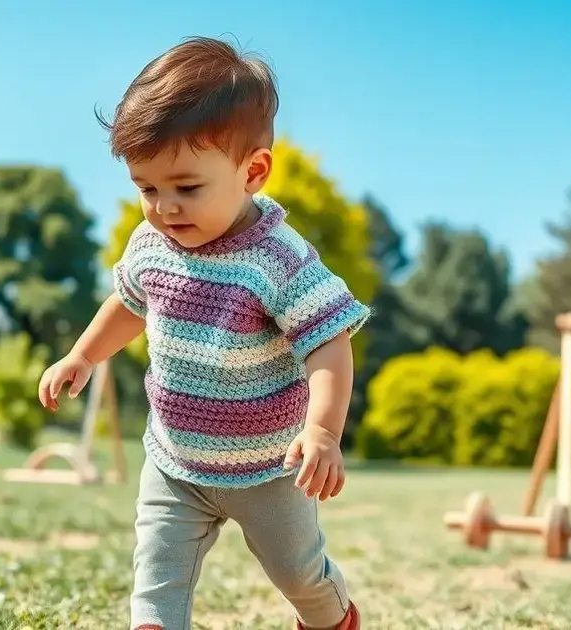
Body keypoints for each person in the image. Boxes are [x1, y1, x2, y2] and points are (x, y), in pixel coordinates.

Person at [37, 36, 368, 630]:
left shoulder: (278, 259)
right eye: (147, 188)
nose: (165, 207)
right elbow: (130, 303)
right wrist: (82, 356)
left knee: (298, 575)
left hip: (270, 468)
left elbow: (329, 342)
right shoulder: (151, 246)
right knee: (155, 584)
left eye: (186, 187)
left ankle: (334, 617)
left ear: (254, 172)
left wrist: (322, 430)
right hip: (173, 462)